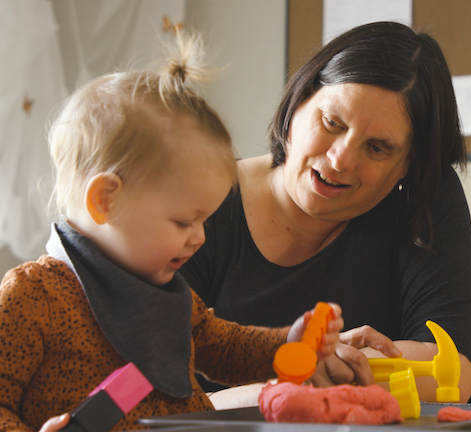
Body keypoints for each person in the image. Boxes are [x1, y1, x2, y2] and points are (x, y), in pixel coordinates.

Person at [0, 32, 343, 432]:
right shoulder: (33, 296)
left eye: (203, 221)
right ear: (105, 200)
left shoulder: (165, 294)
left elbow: (224, 348)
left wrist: (288, 342)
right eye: (183, 222)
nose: (199, 237)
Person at [180, 21, 471, 404]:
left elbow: (453, 373)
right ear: (299, 101)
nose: (340, 159)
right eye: (332, 122)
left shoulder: (422, 198)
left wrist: (314, 370)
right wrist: (294, 380)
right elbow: (142, 382)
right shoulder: (202, 196)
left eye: (377, 148)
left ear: (409, 164)